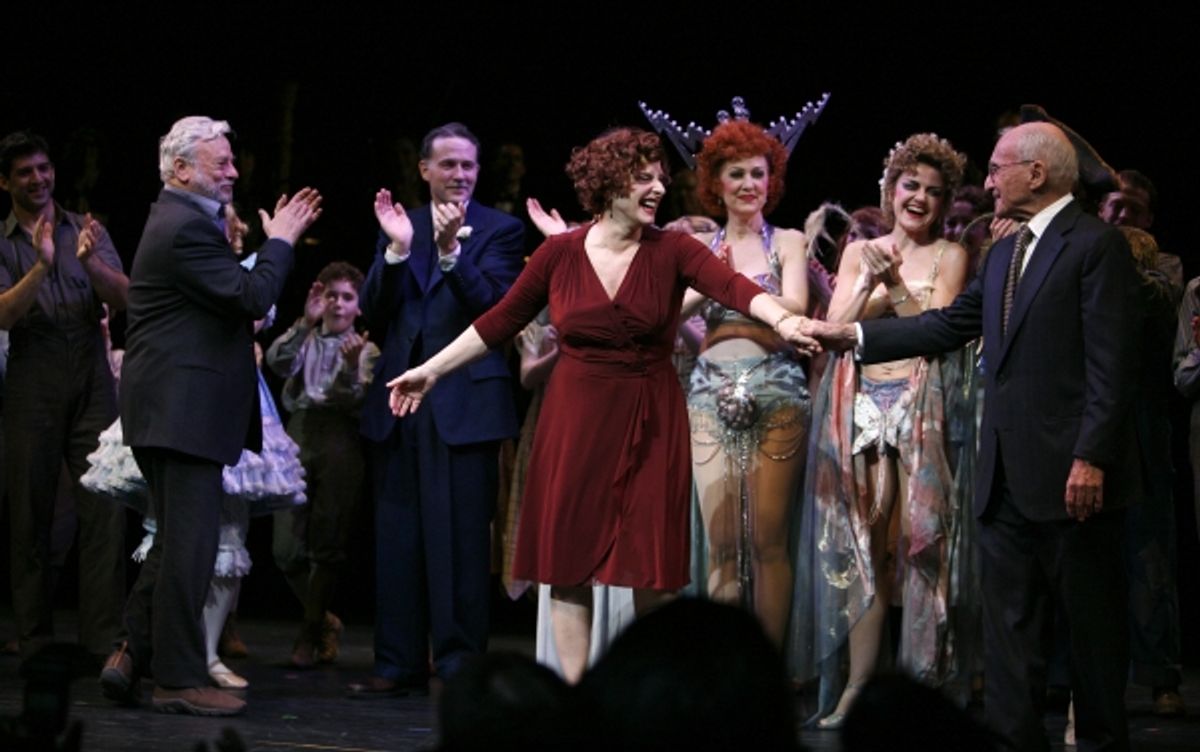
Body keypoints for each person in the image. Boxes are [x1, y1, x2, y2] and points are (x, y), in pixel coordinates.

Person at [387, 127, 819, 683]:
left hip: (650, 417)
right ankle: (574, 696)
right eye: (644, 178)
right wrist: (429, 371)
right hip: (576, 418)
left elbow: (734, 287)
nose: (659, 187)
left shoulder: (674, 250)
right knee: (567, 566)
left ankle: (648, 695)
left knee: (651, 568)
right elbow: (497, 322)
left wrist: (784, 318)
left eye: (659, 176)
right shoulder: (560, 254)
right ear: (608, 184)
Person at [807, 121, 1141, 751]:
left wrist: (1091, 457)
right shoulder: (1004, 253)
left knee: (1091, 639)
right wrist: (850, 336)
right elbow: (948, 325)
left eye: (995, 168)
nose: (986, 181)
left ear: (1035, 174)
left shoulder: (1095, 245)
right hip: (1005, 477)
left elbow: (1112, 366)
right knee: (1010, 637)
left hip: (1073, 478)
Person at [98, 115, 321, 716]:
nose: (233, 171)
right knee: (189, 549)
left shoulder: (178, 222)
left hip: (171, 408)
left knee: (176, 544)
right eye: (220, 162)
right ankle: (177, 678)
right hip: (180, 411)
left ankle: (131, 653)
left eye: (231, 160)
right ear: (181, 169)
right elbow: (251, 298)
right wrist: (282, 242)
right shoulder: (186, 229)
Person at [795, 133, 970, 728]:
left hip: (919, 405)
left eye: (933, 191)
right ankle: (857, 687)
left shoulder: (951, 254)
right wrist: (867, 279)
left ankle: (921, 685)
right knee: (863, 547)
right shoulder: (857, 250)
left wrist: (894, 282)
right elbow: (833, 327)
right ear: (890, 187)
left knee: (915, 548)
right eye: (910, 184)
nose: (919, 197)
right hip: (861, 403)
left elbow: (937, 331)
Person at [353, 122, 525, 697]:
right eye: (448, 165)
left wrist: (453, 253)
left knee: (460, 542)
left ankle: (458, 665)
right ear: (424, 169)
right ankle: (397, 660)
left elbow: (498, 315)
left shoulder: (500, 231)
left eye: (468, 166)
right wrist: (398, 250)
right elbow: (375, 311)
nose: (459, 175)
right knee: (398, 536)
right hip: (401, 400)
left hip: (463, 402)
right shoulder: (401, 225)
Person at [0, 130, 129, 664]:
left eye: (44, 168)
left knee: (104, 506)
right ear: (5, 181)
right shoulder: (3, 240)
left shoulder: (87, 228)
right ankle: (35, 640)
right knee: (29, 511)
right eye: (26, 172)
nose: (38, 178)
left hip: (90, 366)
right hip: (33, 369)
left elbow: (127, 297)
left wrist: (92, 262)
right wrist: (41, 265)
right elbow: (4, 316)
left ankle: (103, 641)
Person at [682, 120, 810, 648]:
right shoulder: (696, 248)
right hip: (711, 391)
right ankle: (725, 672)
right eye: (736, 174)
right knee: (724, 542)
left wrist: (724, 286)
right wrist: (710, 276)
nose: (748, 184)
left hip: (776, 389)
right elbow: (670, 314)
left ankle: (769, 673)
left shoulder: (788, 241)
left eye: (758, 173)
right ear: (716, 181)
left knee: (767, 540)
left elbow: (798, 306)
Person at [266, 261, 378, 668]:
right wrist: (303, 322)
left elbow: (359, 403)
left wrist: (349, 372)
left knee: (327, 546)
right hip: (297, 432)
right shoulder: (305, 338)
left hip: (339, 440)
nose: (338, 303)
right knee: (285, 550)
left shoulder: (365, 350)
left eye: (347, 297)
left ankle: (308, 633)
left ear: (358, 306)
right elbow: (277, 363)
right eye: (331, 295)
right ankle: (324, 619)